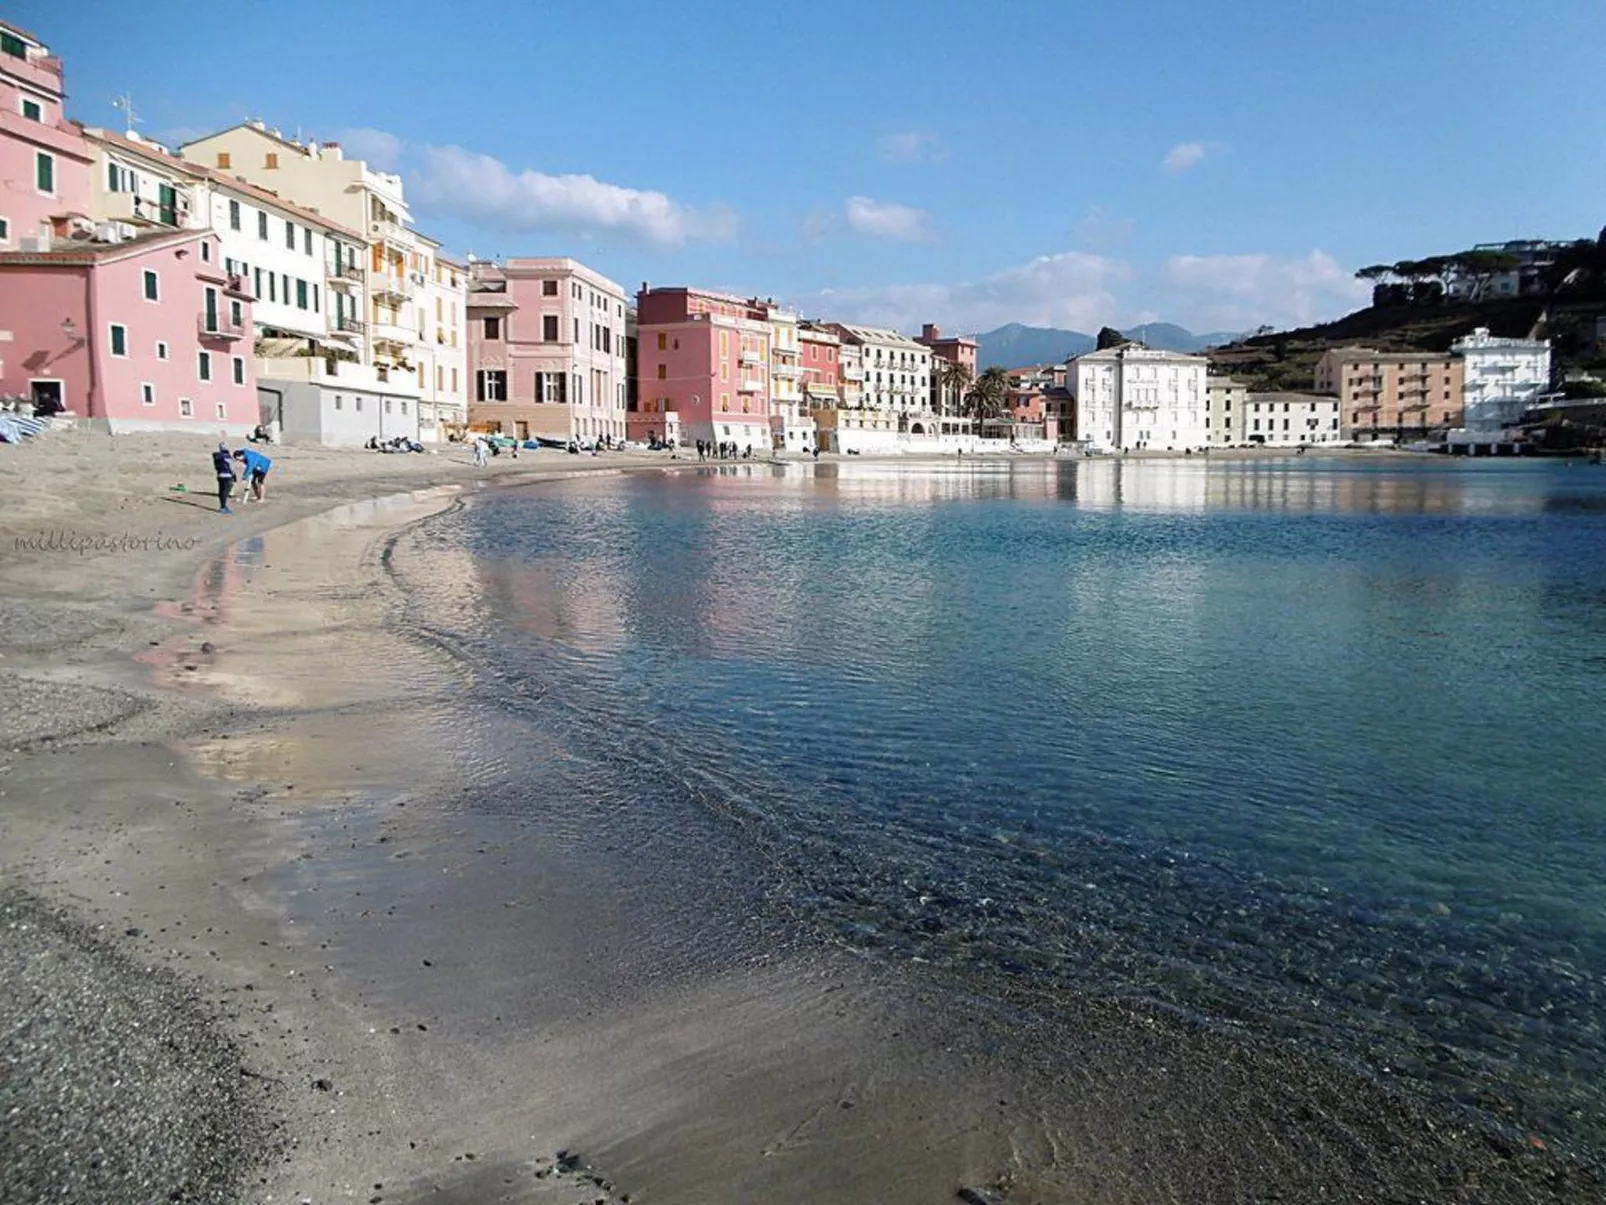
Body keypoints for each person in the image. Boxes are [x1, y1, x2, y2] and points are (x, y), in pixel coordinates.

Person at [212, 442, 237, 513]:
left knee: (221, 491)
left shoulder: (216, 456)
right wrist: (234, 475)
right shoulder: (227, 456)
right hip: (227, 476)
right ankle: (223, 507)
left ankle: (223, 506)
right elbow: (231, 467)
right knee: (225, 491)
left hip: (220, 475)